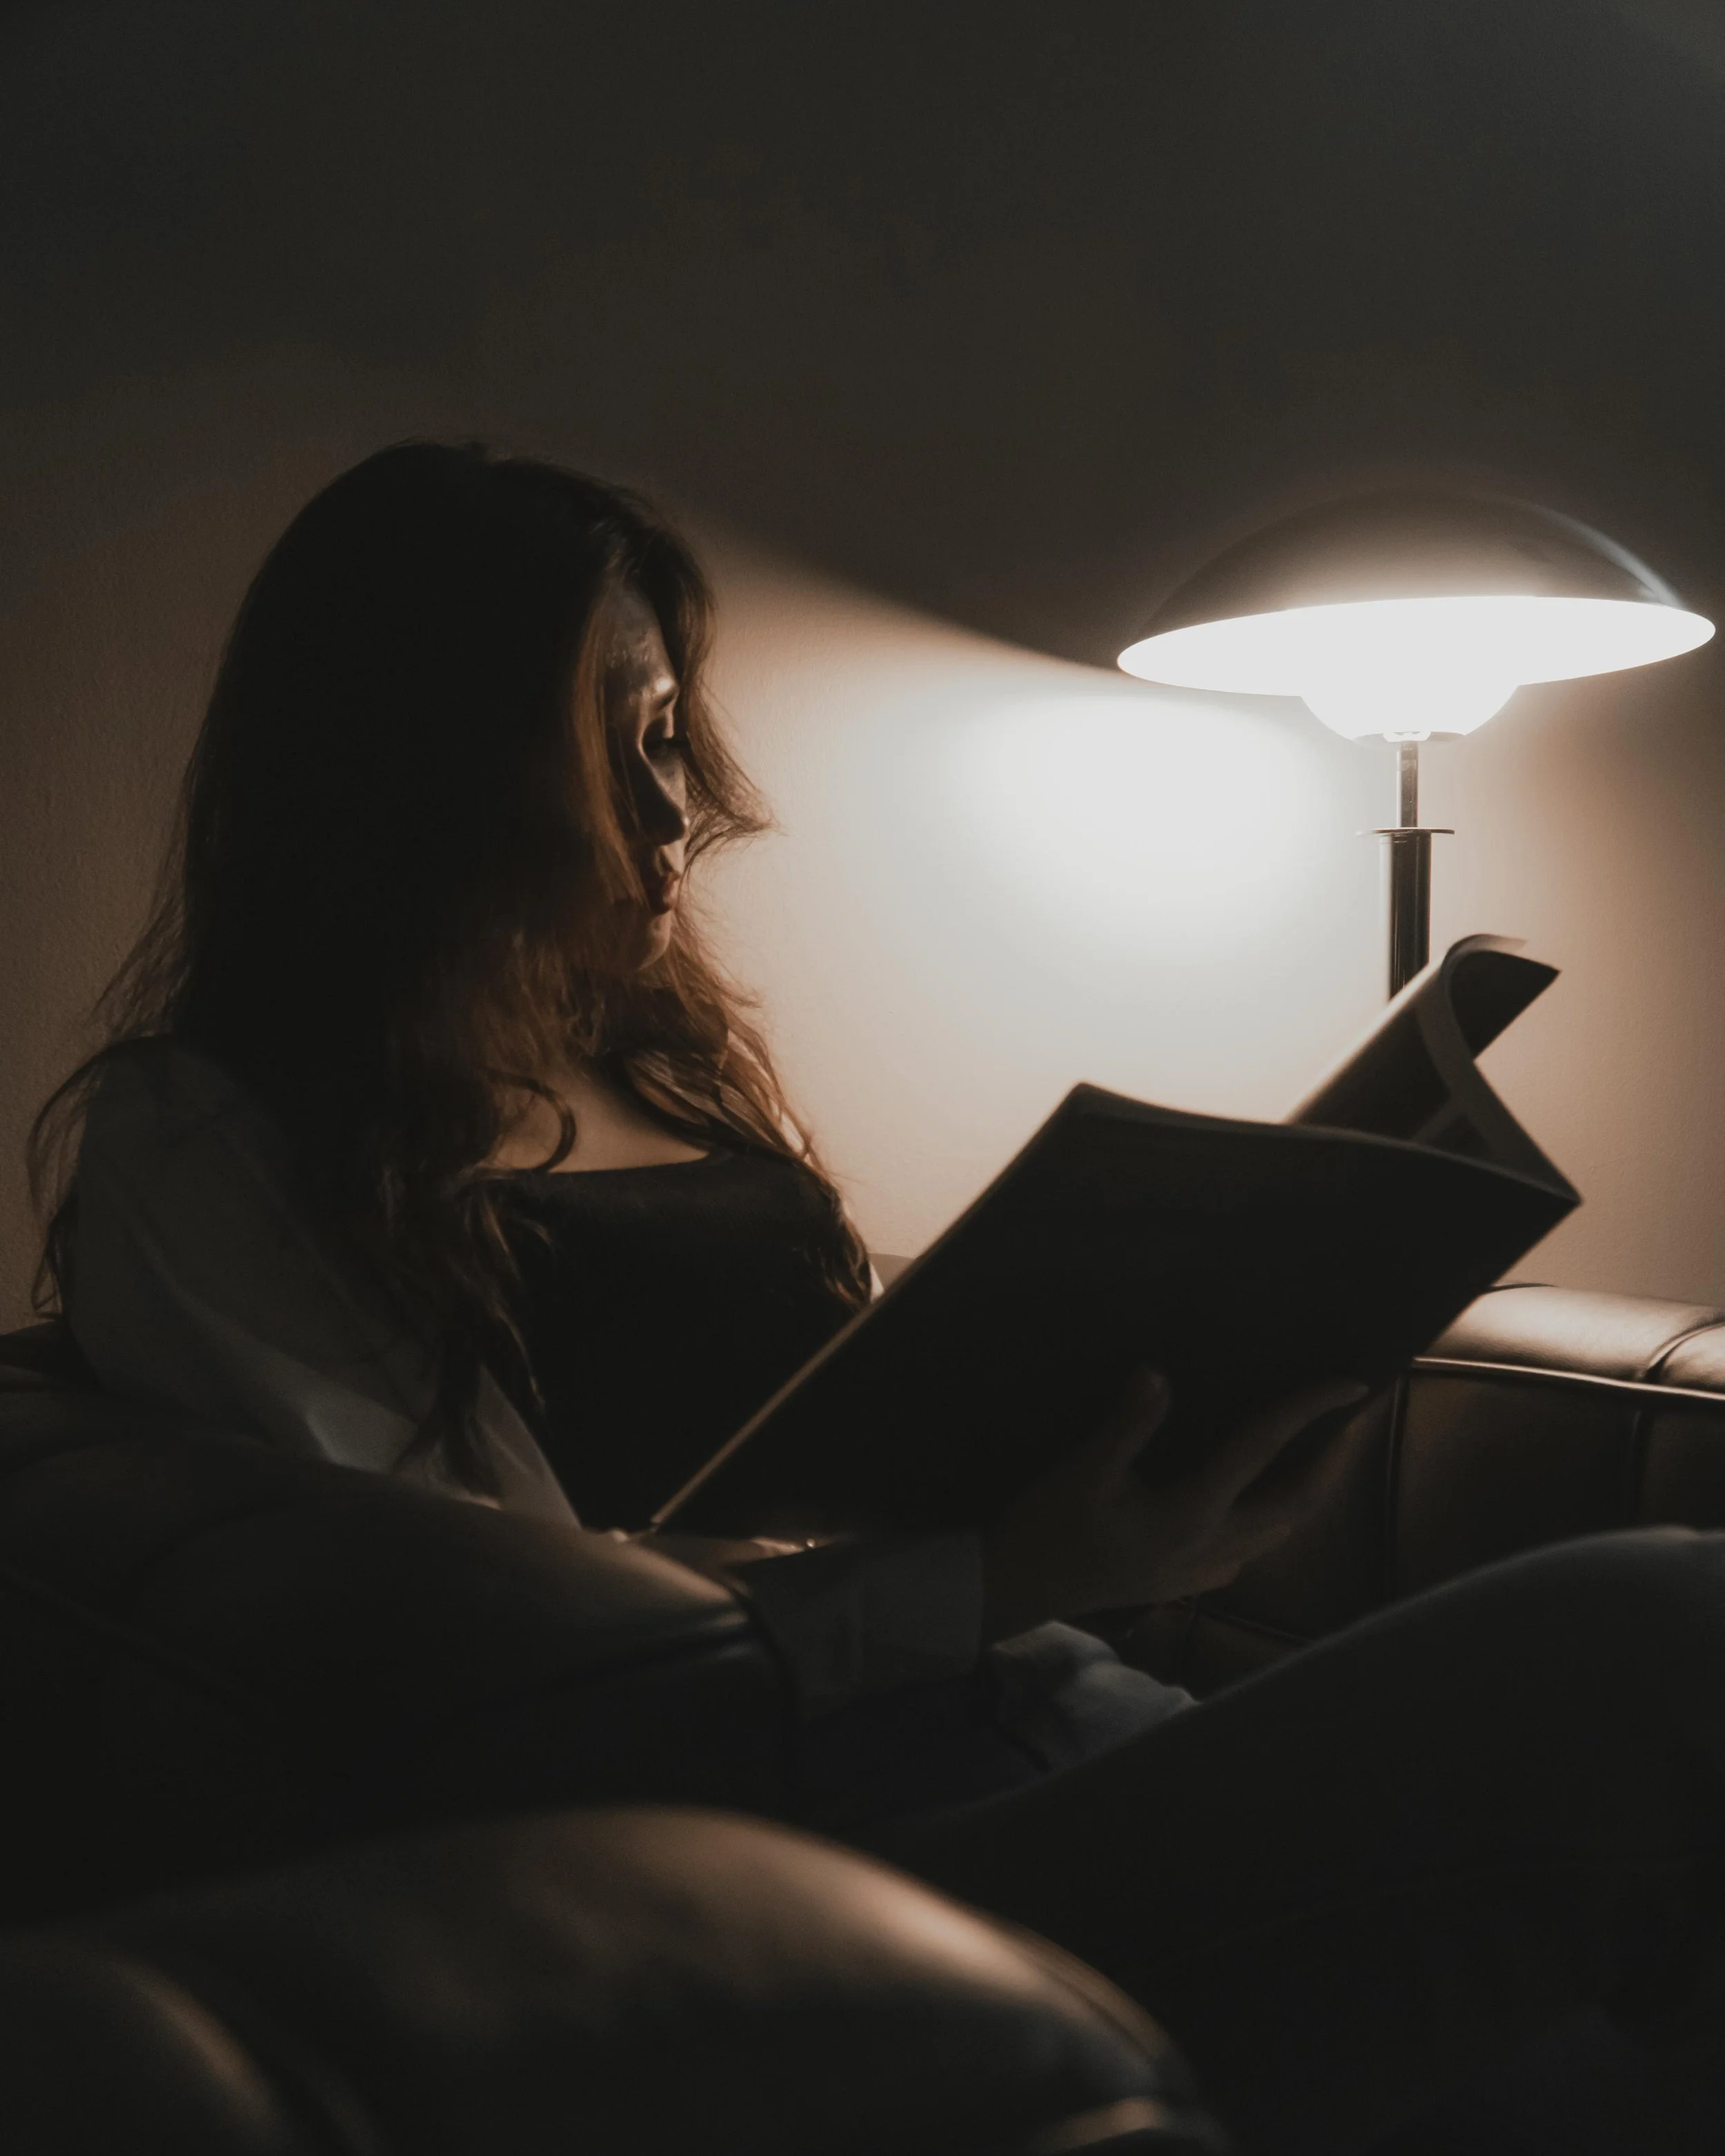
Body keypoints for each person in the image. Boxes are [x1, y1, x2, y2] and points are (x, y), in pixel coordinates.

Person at [30, 442, 1725, 2154]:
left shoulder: (654, 1062)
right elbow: (504, 1652)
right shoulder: (213, 1136)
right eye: (610, 745)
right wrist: (999, 1577)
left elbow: (836, 1418)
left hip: (1058, 1712)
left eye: (669, 733)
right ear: (427, 770)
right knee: (1661, 1623)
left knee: (1611, 2001)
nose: (675, 809)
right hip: (802, 1864)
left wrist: (1153, 1446)